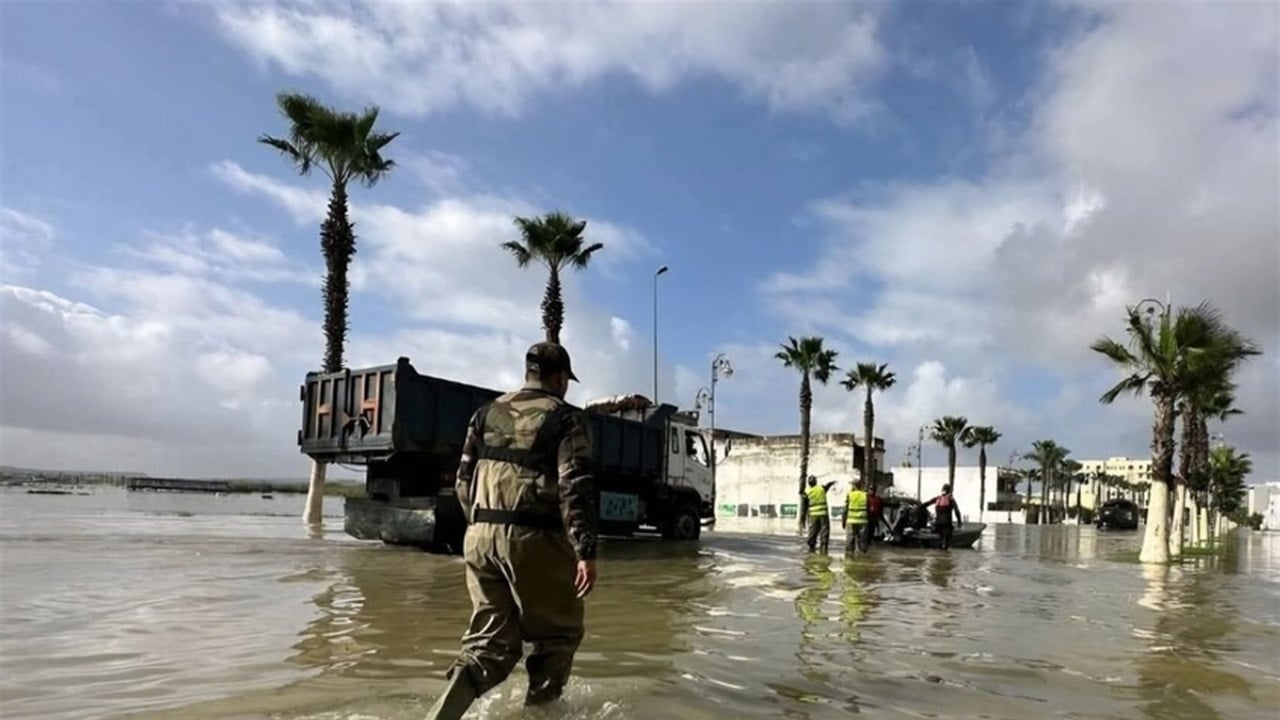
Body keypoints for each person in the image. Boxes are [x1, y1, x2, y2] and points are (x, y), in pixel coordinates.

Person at [426, 342, 599, 720]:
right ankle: (539, 714)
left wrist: (482, 527)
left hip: (479, 537)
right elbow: (575, 487)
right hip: (533, 538)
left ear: (529, 373)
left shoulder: (485, 413)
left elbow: (463, 481)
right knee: (557, 637)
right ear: (560, 378)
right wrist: (585, 551)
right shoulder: (567, 418)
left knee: (487, 647)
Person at [920, 483, 962, 551]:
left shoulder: (937, 498)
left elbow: (926, 504)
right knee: (945, 546)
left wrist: (918, 507)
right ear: (950, 491)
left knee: (939, 540)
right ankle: (944, 552)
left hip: (937, 524)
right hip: (946, 525)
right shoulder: (951, 500)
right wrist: (959, 523)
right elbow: (957, 511)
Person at [802, 476, 836, 553]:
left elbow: (804, 507)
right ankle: (824, 548)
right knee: (824, 532)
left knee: (813, 531)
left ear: (809, 483)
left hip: (813, 515)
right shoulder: (821, 488)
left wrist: (803, 518)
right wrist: (831, 483)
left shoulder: (807, 492)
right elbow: (827, 486)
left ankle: (811, 546)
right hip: (823, 514)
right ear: (816, 482)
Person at [842, 480, 870, 554]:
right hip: (863, 521)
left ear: (854, 486)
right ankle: (863, 555)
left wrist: (843, 521)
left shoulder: (850, 494)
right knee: (863, 540)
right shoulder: (865, 495)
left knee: (850, 539)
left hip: (851, 521)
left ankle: (849, 556)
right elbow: (868, 509)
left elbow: (845, 509)